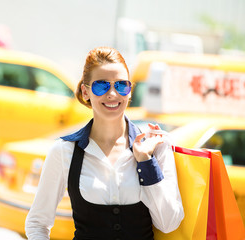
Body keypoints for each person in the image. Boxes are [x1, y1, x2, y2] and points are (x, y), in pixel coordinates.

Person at [25, 46, 184, 240]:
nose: (112, 94)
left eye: (121, 85)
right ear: (85, 91)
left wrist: (145, 162)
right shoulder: (64, 151)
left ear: (130, 91)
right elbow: (37, 223)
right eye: (102, 85)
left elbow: (168, 223)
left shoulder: (157, 145)